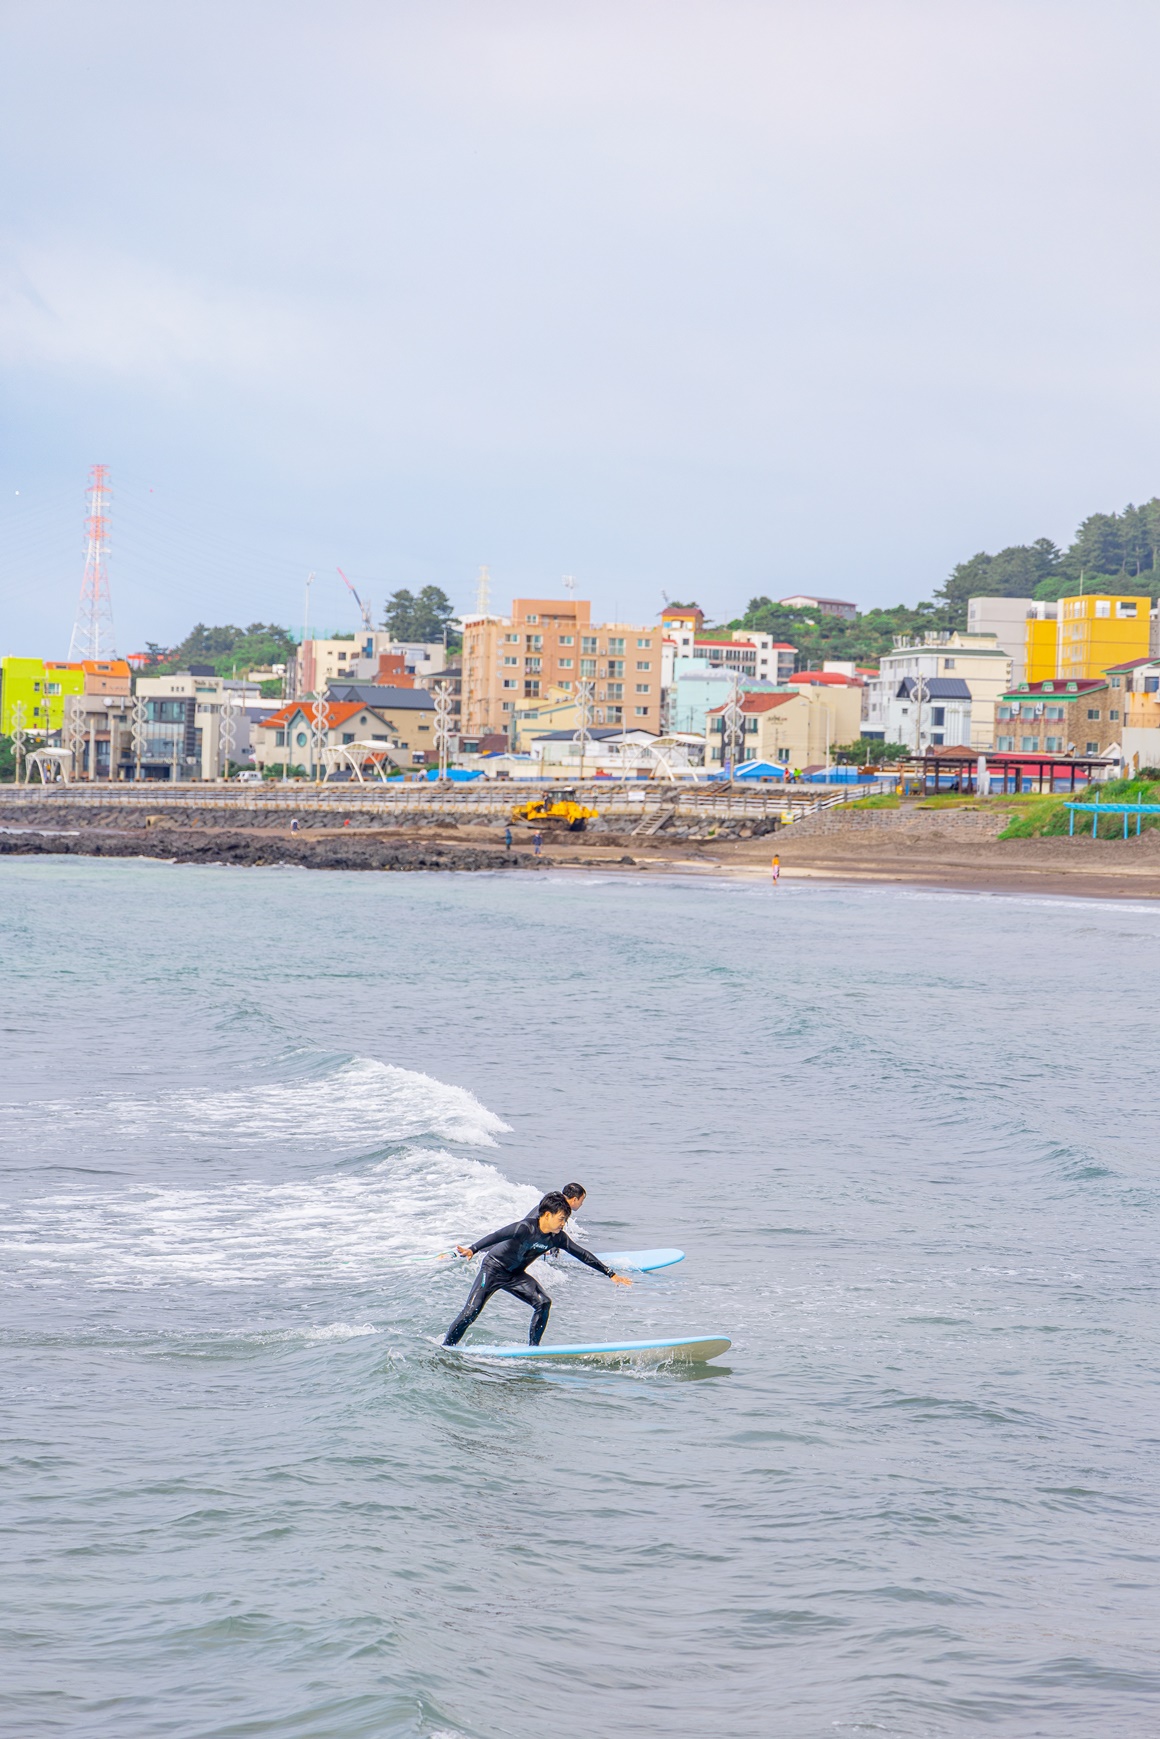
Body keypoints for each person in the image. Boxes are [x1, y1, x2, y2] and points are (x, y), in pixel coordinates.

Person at [442, 1191, 631, 1347]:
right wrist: (472, 1249)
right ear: (547, 1215)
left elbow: (582, 1254)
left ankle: (533, 1349)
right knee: (471, 1312)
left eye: (565, 1220)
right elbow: (496, 1236)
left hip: (515, 1275)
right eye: (561, 1219)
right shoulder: (524, 1228)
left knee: (543, 1303)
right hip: (493, 1269)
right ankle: (448, 1346)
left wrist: (610, 1274)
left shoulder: (557, 1238)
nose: (563, 1224)